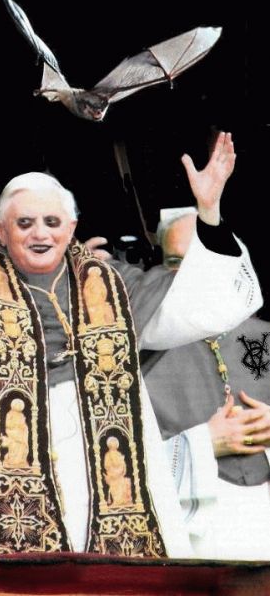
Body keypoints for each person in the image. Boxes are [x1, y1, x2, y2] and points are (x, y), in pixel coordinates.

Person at [0, 133, 262, 557]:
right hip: (5, 516)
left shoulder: (119, 291)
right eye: (25, 223)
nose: (40, 233)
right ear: (0, 231)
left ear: (71, 228)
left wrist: (210, 213)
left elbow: (208, 305)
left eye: (52, 222)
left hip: (109, 506)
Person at [142, 210, 270, 560]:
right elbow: (116, 465)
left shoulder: (264, 336)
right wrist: (203, 443)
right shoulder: (136, 355)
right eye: (174, 262)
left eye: (200, 261)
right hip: (194, 536)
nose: (187, 275)